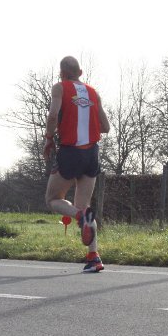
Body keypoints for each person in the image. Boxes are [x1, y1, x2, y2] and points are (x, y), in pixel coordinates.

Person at [42, 55, 111, 273]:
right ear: (80, 73)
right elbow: (106, 127)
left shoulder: (60, 88)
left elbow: (53, 116)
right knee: (84, 205)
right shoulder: (93, 92)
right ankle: (94, 257)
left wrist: (49, 138)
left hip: (71, 151)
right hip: (92, 153)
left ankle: (80, 217)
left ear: (61, 74)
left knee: (52, 198)